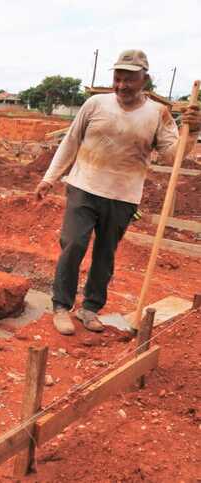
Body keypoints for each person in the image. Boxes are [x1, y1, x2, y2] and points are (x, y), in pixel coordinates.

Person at [35, 49, 200, 335]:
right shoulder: (95, 104)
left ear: (144, 79)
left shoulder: (158, 114)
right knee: (73, 244)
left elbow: (173, 156)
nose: (121, 85)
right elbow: (70, 142)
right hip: (84, 187)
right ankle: (62, 306)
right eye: (117, 78)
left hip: (124, 195)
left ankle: (90, 309)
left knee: (105, 253)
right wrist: (50, 178)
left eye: (129, 79)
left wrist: (194, 132)